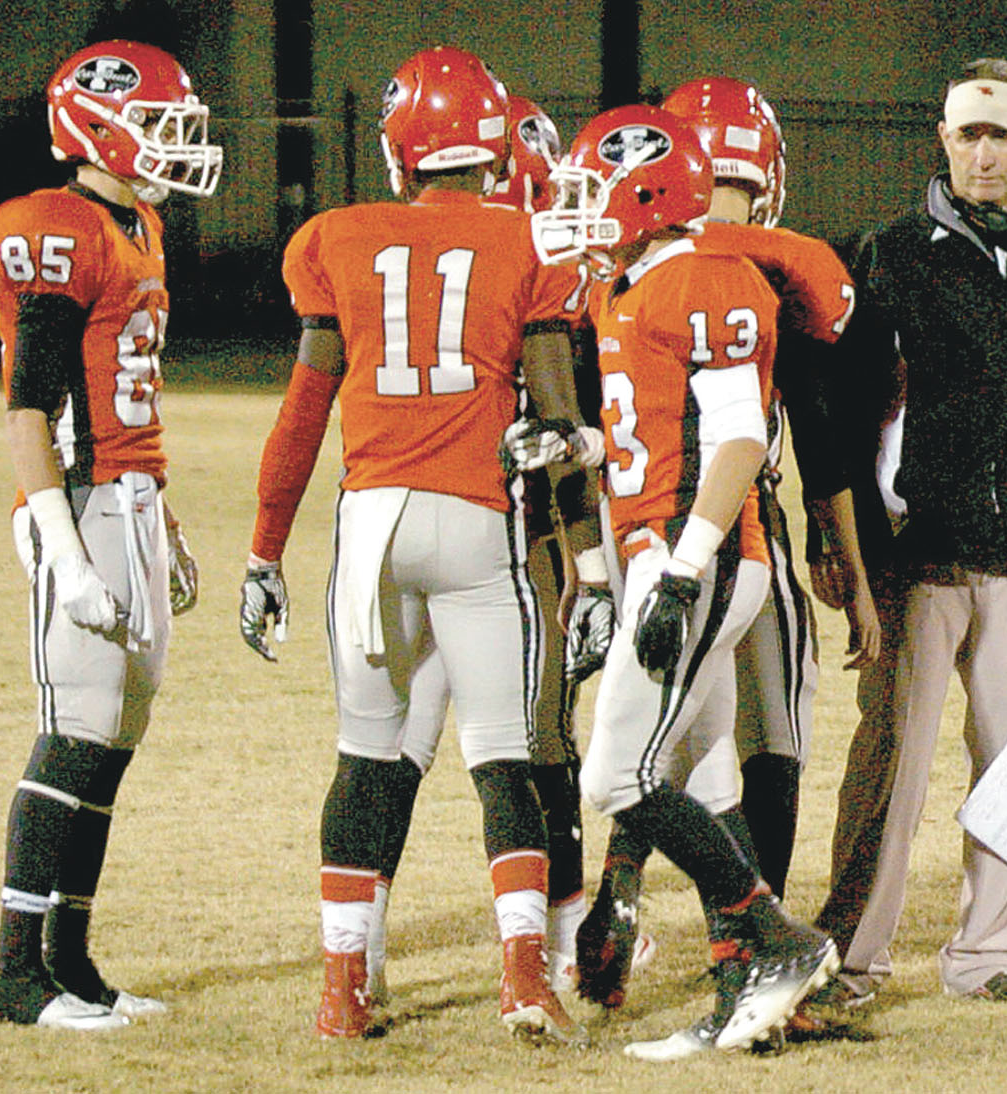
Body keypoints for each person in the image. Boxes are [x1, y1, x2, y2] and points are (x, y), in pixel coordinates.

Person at [237, 45, 597, 1044]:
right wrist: (590, 561)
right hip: (477, 519)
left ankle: (343, 987)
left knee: (366, 756)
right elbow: (559, 417)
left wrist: (265, 552)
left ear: (400, 145)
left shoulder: (336, 237)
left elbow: (302, 415)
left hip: (370, 528)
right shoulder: (531, 244)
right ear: (492, 147)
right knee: (502, 758)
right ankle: (525, 979)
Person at [803, 57, 1007, 1012]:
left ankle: (994, 956)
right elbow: (849, 412)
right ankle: (853, 956)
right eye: (966, 135)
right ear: (943, 141)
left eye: (1000, 135)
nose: (982, 152)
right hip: (922, 552)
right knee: (892, 769)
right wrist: (850, 549)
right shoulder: (895, 252)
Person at [529, 102, 838, 1059]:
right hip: (668, 554)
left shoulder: (706, 275)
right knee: (699, 780)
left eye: (590, 191)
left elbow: (740, 435)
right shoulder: (634, 285)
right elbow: (658, 427)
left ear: (647, 189)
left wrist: (682, 570)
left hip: (695, 559)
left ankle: (778, 940)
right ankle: (742, 974)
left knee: (616, 774)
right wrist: (575, 442)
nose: (576, 212)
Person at [0, 39, 220, 1029]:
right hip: (72, 503)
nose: (172, 144)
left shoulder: (139, 223)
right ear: (98, 123)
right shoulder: (56, 224)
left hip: (126, 496)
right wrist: (65, 550)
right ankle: (12, 973)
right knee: (73, 733)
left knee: (113, 737)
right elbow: (30, 405)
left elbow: (124, 391)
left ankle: (68, 957)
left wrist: (156, 514)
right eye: (159, 123)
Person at [352, 93, 597, 1002]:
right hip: (510, 538)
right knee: (533, 747)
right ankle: (561, 948)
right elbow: (566, 430)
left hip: (412, 524)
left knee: (398, 749)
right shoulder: (529, 265)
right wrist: (596, 564)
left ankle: (359, 954)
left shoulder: (434, 253)